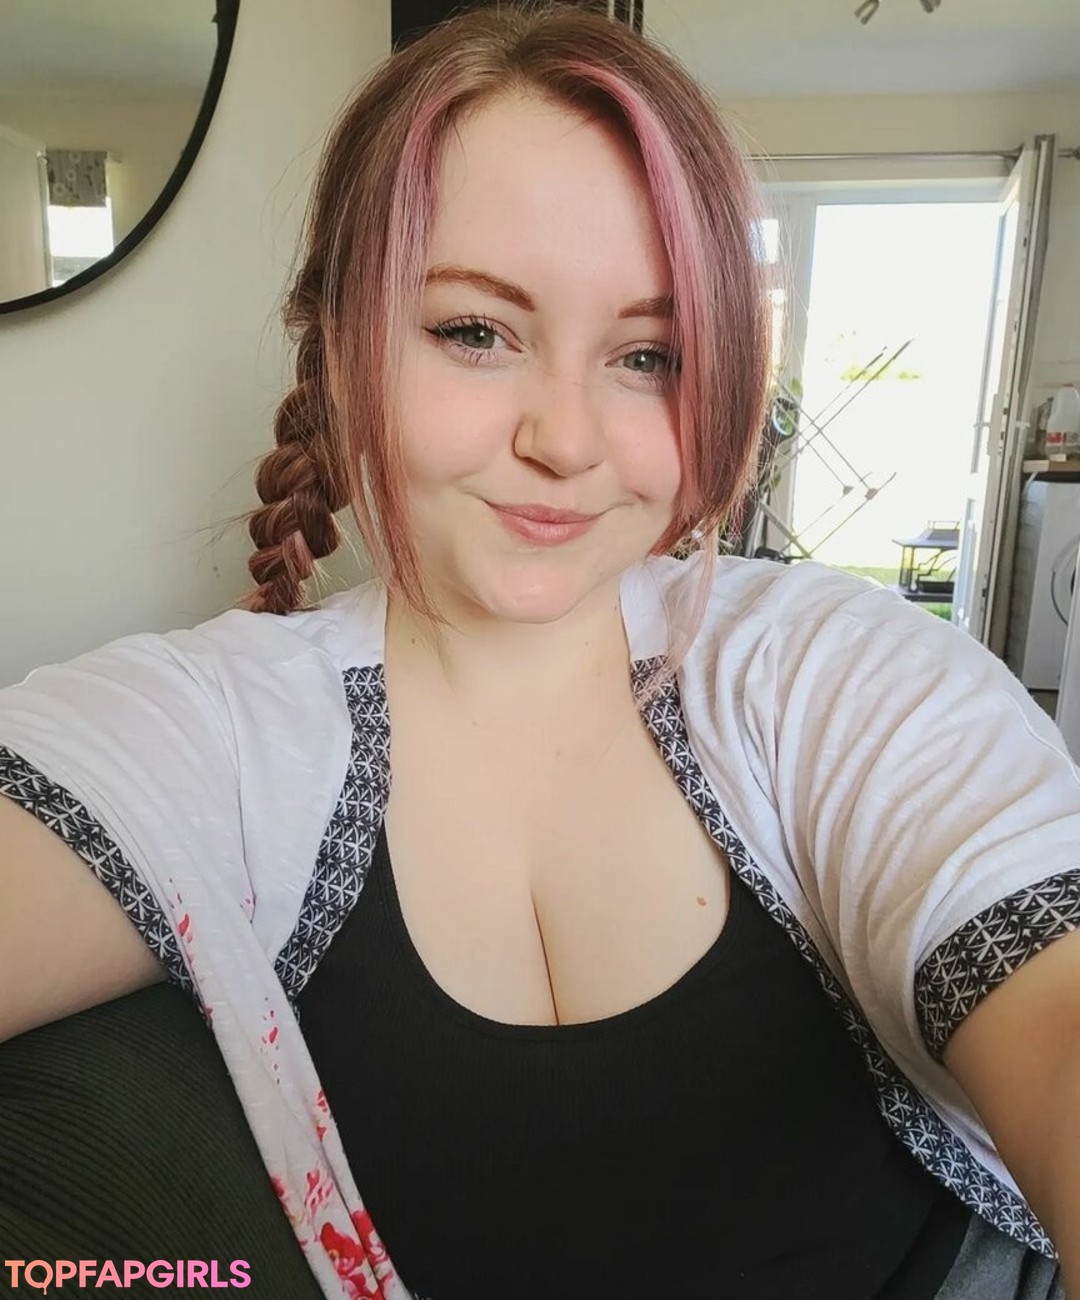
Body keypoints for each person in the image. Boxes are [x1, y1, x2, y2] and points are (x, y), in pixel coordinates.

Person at [1, 5, 1078, 1298]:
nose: (565, 439)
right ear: (334, 341)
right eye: (476, 331)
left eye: (648, 355)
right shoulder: (215, 724)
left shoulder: (834, 673)